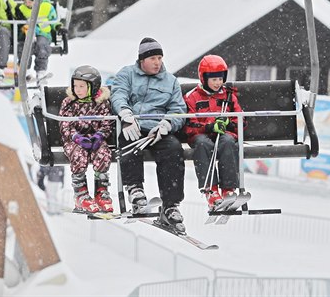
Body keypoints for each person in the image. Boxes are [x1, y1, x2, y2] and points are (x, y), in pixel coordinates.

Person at [110, 37, 187, 232]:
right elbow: (118, 94)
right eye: (153, 58)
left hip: (157, 130)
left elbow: (178, 109)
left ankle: (170, 205)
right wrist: (126, 115)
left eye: (160, 58)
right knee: (129, 141)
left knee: (173, 149)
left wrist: (166, 124)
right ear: (142, 59)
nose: (157, 62)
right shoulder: (127, 74)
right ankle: (135, 190)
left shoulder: (170, 81)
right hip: (133, 124)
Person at [184, 55, 245, 210]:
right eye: (214, 79)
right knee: (202, 144)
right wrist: (209, 126)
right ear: (204, 79)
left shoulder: (229, 96)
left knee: (228, 142)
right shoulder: (192, 97)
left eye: (220, 79)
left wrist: (228, 123)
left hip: (224, 135)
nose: (218, 83)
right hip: (202, 135)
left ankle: (228, 188)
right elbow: (189, 125)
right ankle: (210, 190)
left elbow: (241, 121)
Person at [59, 66, 114, 213]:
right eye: (75, 86)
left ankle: (101, 192)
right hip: (74, 141)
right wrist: (76, 137)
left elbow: (107, 123)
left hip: (95, 139)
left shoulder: (101, 103)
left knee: (103, 152)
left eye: (82, 86)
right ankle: (80, 194)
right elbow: (65, 124)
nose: (77, 89)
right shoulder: (69, 102)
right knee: (78, 155)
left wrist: (99, 136)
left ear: (93, 87)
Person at [13, 0, 58, 82]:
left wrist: (59, 28)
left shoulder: (47, 6)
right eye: (24, 0)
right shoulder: (21, 9)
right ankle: (26, 71)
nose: (27, 3)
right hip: (27, 34)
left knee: (42, 46)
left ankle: (40, 72)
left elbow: (54, 20)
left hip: (43, 33)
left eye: (29, 0)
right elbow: (18, 22)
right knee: (25, 47)